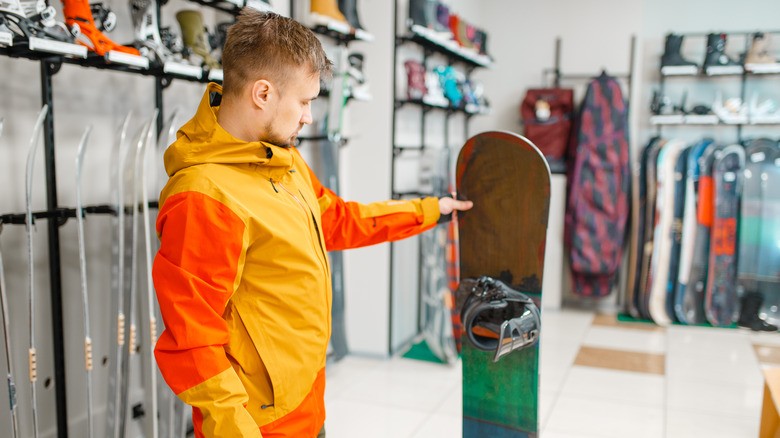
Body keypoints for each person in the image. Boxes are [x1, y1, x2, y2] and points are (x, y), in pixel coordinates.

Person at [152, 8, 472, 438]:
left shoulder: (281, 160)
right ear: (263, 94)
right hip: (259, 423)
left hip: (308, 402)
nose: (308, 116)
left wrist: (430, 210)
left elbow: (338, 220)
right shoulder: (206, 196)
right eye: (304, 102)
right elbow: (193, 339)